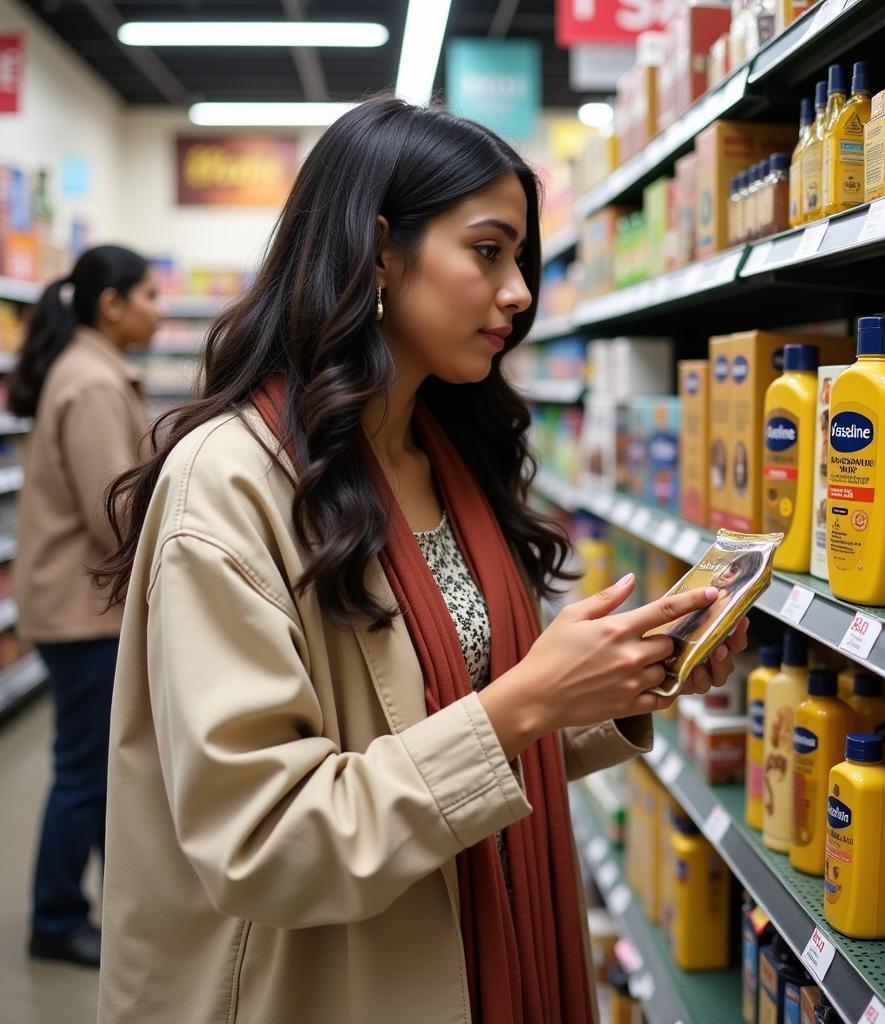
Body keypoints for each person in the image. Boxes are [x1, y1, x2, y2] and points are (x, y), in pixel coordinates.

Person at [95, 98, 748, 1023]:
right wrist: (527, 700)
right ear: (377, 255)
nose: (520, 292)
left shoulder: (444, 456)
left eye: (519, 257)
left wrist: (626, 678)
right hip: (320, 983)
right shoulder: (231, 488)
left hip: (478, 953)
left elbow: (458, 725)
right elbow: (264, 840)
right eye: (488, 251)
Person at [9, 245, 161, 967]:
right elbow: (115, 514)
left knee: (94, 764)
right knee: (83, 769)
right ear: (112, 305)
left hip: (75, 603)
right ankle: (57, 916)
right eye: (150, 296)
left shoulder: (86, 371)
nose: (158, 311)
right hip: (83, 608)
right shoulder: (95, 382)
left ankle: (108, 903)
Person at [664, 550, 765, 652]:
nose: (724, 573)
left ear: (745, 577)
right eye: (728, 566)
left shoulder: (724, 596)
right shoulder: (720, 596)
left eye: (733, 569)